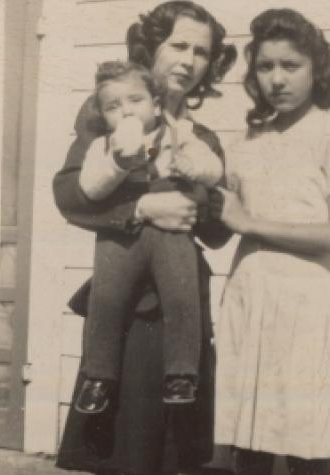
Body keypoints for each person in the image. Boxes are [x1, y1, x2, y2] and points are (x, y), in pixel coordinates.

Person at [53, 0, 236, 475]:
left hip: (178, 313)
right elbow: (69, 194)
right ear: (151, 47)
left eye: (202, 52)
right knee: (112, 459)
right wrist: (140, 211)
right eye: (178, 44)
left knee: (164, 460)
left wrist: (197, 200)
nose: (189, 60)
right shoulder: (107, 112)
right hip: (125, 311)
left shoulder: (200, 136)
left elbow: (219, 231)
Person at [214, 8, 330, 475]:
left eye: (291, 65)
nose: (276, 78)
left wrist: (250, 224)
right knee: (249, 451)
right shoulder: (246, 142)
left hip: (307, 307)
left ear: (317, 68)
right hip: (249, 301)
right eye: (265, 67)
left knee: (309, 451)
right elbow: (218, 221)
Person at [76, 60, 225, 413]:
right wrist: (117, 163)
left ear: (156, 105)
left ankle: (181, 372)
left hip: (171, 233)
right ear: (103, 115)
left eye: (135, 101)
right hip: (124, 235)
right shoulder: (103, 145)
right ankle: (98, 376)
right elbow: (89, 189)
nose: (125, 110)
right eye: (113, 106)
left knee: (181, 295)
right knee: (107, 299)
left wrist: (195, 167)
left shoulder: (181, 135)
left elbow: (214, 169)